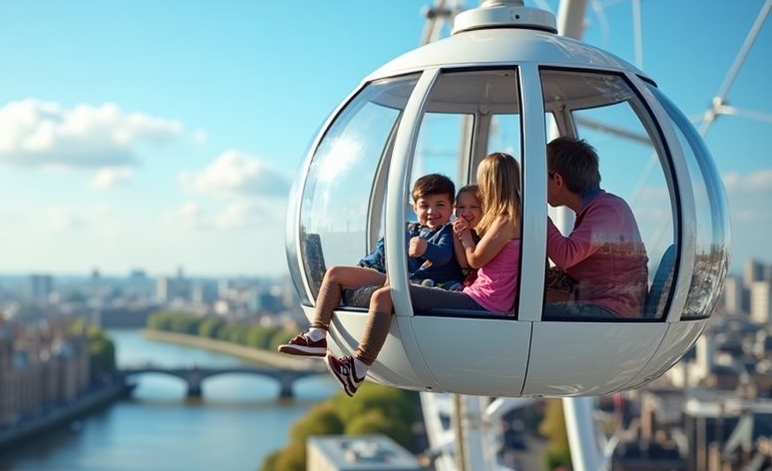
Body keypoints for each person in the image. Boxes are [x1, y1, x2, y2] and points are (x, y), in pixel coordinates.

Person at [325, 153, 523, 396]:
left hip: (483, 302)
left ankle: (358, 367)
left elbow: (475, 259)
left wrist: (465, 237)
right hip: (481, 297)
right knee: (387, 291)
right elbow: (469, 263)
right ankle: (357, 366)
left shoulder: (505, 221)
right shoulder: (517, 218)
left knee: (384, 297)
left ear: (491, 182)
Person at [278, 174, 463, 357]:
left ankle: (358, 354)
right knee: (335, 273)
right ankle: (317, 334)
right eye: (424, 205)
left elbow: (444, 256)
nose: (432, 211)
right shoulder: (405, 230)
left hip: (423, 285)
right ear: (414, 208)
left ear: (451, 208)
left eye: (440, 205)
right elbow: (378, 254)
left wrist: (426, 248)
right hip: (395, 278)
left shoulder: (447, 231)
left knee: (387, 289)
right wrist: (361, 268)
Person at [543, 137, 648, 319]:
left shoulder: (609, 210)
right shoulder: (599, 209)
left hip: (611, 311)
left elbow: (565, 256)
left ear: (558, 180)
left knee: (516, 316)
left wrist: (535, 216)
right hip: (596, 302)